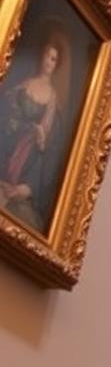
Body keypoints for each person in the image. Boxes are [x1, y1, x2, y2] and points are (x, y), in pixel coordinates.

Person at [0, 28, 70, 231]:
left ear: (57, 64)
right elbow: (6, 113)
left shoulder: (52, 100)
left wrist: (38, 135)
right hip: (7, 146)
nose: (48, 62)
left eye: (53, 59)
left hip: (26, 158)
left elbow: (47, 149)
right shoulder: (25, 85)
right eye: (47, 56)